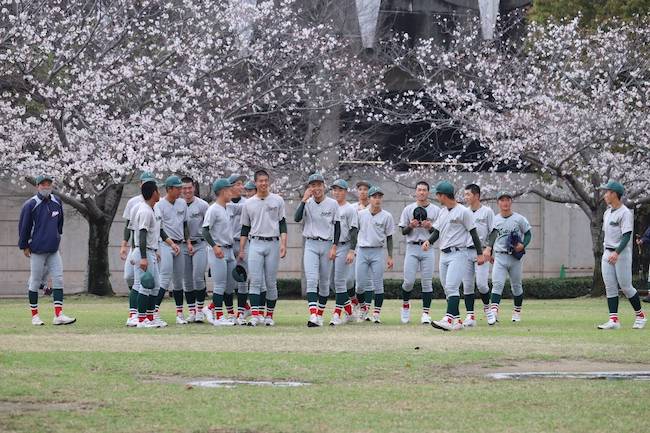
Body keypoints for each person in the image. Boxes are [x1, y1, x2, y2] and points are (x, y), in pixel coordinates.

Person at [423, 181, 484, 331]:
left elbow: (473, 233)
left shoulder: (463, 211)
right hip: (444, 254)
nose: (437, 197)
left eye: (438, 194)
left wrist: (480, 253)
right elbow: (437, 231)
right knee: (446, 288)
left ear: (443, 195)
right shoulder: (443, 211)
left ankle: (448, 319)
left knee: (452, 286)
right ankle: (457, 321)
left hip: (459, 253)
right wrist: (428, 242)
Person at [18, 175, 76, 326]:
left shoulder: (57, 201)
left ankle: (59, 315)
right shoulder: (30, 204)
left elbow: (59, 224)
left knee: (59, 279)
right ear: (37, 186)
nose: (46, 186)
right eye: (42, 184)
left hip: (53, 250)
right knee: (35, 281)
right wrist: (24, 245)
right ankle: (35, 316)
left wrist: (56, 237)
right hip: (37, 250)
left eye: (48, 184)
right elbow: (23, 227)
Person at [239, 169, 288, 326]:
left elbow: (282, 223)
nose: (263, 183)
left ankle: (269, 316)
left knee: (271, 281)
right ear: (255, 182)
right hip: (255, 243)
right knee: (255, 281)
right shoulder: (248, 203)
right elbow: (245, 228)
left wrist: (283, 244)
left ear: (269, 182)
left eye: (266, 180)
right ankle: (255, 315)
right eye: (260, 181)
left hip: (273, 242)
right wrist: (241, 249)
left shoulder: (278, 200)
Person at [595, 181, 646, 329]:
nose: (605, 195)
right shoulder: (607, 212)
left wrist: (617, 253)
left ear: (614, 194)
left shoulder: (625, 213)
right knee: (610, 287)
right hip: (607, 252)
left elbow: (626, 235)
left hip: (621, 254)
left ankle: (640, 316)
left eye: (607, 192)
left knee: (625, 286)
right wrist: (609, 252)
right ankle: (614, 321)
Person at [294, 173, 341, 327]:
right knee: (312, 280)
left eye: (318, 185)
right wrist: (303, 200)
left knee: (325, 282)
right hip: (311, 243)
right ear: (309, 187)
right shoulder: (307, 204)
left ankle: (320, 315)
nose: (316, 188)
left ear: (323, 186)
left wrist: (335, 246)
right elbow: (296, 218)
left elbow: (337, 227)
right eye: (313, 185)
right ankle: (313, 315)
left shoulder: (332, 204)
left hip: (327, 244)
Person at [482, 192, 532, 324]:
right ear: (498, 202)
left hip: (514, 258)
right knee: (497, 285)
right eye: (502, 200)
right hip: (500, 256)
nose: (505, 202)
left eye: (507, 200)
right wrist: (489, 252)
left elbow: (528, 234)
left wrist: (523, 244)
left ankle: (517, 311)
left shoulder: (519, 219)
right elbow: (491, 238)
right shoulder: (495, 220)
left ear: (511, 202)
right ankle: (494, 312)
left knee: (516, 286)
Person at [120, 172, 158, 326]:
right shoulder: (143, 209)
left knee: (144, 284)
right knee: (144, 285)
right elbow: (141, 234)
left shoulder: (147, 207)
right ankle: (141, 318)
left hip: (146, 250)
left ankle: (142, 317)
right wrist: (142, 256)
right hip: (143, 251)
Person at [398, 181, 440, 325]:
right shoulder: (408, 209)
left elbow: (439, 232)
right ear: (415, 192)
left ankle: (425, 313)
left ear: (428, 192)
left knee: (427, 283)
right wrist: (411, 225)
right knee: (408, 282)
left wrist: (430, 228)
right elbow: (402, 231)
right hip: (412, 247)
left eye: (424, 190)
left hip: (428, 247)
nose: (421, 192)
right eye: (419, 190)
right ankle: (405, 306)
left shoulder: (436, 210)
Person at [355, 186, 395, 323]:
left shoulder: (387, 216)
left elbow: (389, 237)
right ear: (369, 198)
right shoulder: (360, 214)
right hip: (362, 250)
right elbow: (354, 233)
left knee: (378, 284)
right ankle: (362, 308)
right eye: (374, 197)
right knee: (359, 285)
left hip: (377, 251)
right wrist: (351, 250)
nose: (377, 199)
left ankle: (376, 314)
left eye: (379, 197)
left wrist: (390, 256)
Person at [203, 178, 237, 327]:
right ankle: (218, 316)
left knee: (230, 285)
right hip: (218, 250)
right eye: (229, 189)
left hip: (229, 250)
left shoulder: (227, 207)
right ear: (223, 191)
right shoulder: (213, 209)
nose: (231, 192)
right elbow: (205, 230)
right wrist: (214, 246)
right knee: (219, 285)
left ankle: (215, 310)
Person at [461, 184, 495, 327]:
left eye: (468, 194)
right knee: (467, 285)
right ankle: (470, 316)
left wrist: (489, 248)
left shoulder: (487, 212)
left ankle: (488, 310)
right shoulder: (463, 212)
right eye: (465, 194)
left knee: (481, 284)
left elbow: (494, 231)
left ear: (476, 196)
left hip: (481, 252)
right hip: (465, 251)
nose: (466, 197)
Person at [154, 176, 186, 324]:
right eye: (177, 188)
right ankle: (153, 312)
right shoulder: (160, 205)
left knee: (179, 281)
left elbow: (185, 225)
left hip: (180, 244)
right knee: (164, 279)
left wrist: (189, 241)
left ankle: (180, 313)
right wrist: (170, 243)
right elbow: (159, 229)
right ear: (169, 189)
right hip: (166, 244)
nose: (181, 190)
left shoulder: (182, 203)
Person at [328, 179, 358, 326]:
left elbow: (354, 231)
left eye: (340, 190)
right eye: (334, 190)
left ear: (345, 191)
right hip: (330, 246)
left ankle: (336, 315)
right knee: (332, 284)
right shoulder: (330, 206)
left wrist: (352, 250)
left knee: (340, 282)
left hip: (344, 245)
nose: (337, 192)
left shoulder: (349, 209)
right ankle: (350, 311)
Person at [180, 176, 209, 324]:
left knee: (198, 277)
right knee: (187, 280)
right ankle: (191, 311)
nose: (187, 191)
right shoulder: (178, 205)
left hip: (200, 244)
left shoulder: (203, 205)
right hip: (183, 245)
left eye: (189, 187)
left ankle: (199, 310)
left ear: (194, 188)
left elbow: (208, 226)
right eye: (184, 188)